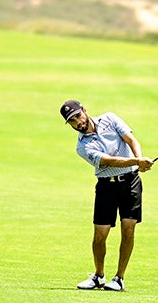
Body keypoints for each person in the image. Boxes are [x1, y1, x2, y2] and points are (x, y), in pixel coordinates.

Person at [61, 99, 153, 291]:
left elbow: (131, 140)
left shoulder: (110, 118)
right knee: (100, 235)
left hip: (131, 183)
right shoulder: (82, 147)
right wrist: (137, 160)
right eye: (72, 121)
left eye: (78, 116)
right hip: (106, 187)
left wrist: (140, 162)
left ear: (85, 110)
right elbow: (108, 161)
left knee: (128, 229)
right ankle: (98, 276)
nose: (78, 122)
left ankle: (119, 278)